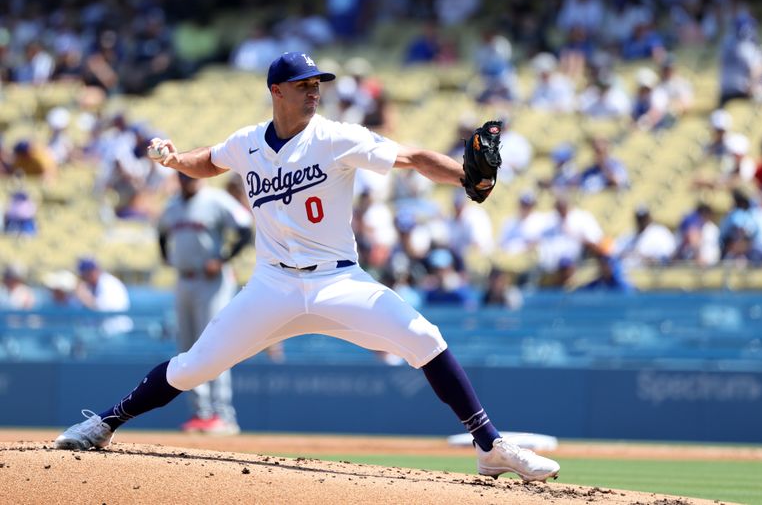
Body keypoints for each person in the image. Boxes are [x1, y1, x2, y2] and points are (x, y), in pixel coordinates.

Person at [54, 51, 560, 482]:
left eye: (318, 84)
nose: (314, 91)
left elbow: (411, 157)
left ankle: (490, 446)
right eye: (304, 84)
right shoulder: (248, 141)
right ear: (277, 90)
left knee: (425, 338)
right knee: (194, 366)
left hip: (339, 280)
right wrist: (173, 160)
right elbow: (208, 161)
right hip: (271, 285)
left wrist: (464, 177)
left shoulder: (336, 136)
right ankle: (104, 422)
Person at [157, 172, 254, 435]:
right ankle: (201, 413)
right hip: (184, 280)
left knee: (213, 343)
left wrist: (222, 259)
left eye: (191, 176)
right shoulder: (172, 205)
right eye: (184, 176)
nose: (189, 180)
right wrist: (167, 256)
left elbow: (246, 230)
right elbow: (162, 234)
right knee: (187, 348)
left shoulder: (216, 200)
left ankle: (223, 414)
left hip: (211, 281)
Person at [73, 257, 132, 335]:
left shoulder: (108, 283)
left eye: (86, 274)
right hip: (105, 331)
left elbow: (103, 308)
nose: (84, 278)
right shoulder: (94, 285)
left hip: (117, 331)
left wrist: (84, 297)